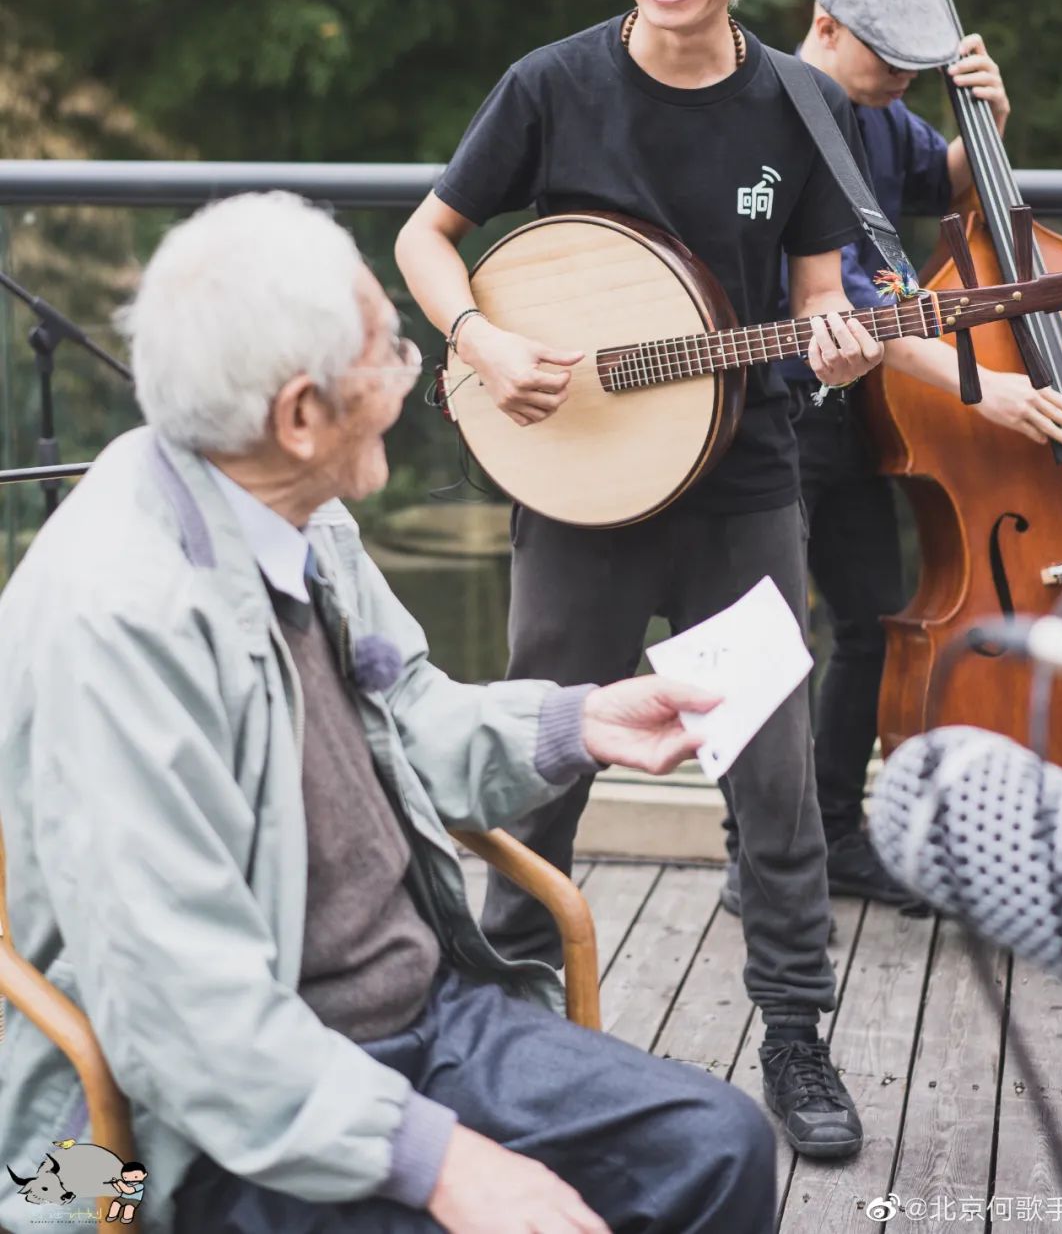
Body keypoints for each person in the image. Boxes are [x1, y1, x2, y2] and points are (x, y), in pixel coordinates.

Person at [0, 192, 775, 1234]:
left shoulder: (292, 511)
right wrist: (447, 1164)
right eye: (388, 353)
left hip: (415, 1019)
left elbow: (403, 709)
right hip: (177, 1134)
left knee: (718, 1145)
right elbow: (188, 1026)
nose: (416, 377)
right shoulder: (118, 621)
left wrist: (578, 723)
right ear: (302, 415)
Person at [396, 0, 884, 1161]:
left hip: (744, 493)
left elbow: (817, 314)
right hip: (578, 499)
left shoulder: (799, 102)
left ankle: (797, 1032)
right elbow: (430, 236)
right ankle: (498, 1008)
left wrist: (841, 360)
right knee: (541, 761)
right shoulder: (550, 85)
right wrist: (482, 336)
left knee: (771, 775)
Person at [717, 0, 1062, 916]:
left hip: (850, 416)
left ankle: (836, 837)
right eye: (889, 64)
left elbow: (942, 187)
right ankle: (751, 855)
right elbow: (865, 302)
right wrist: (980, 391)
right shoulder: (767, 113)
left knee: (872, 621)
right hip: (765, 412)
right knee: (762, 641)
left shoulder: (880, 114)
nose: (901, 85)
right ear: (825, 27)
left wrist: (988, 123)